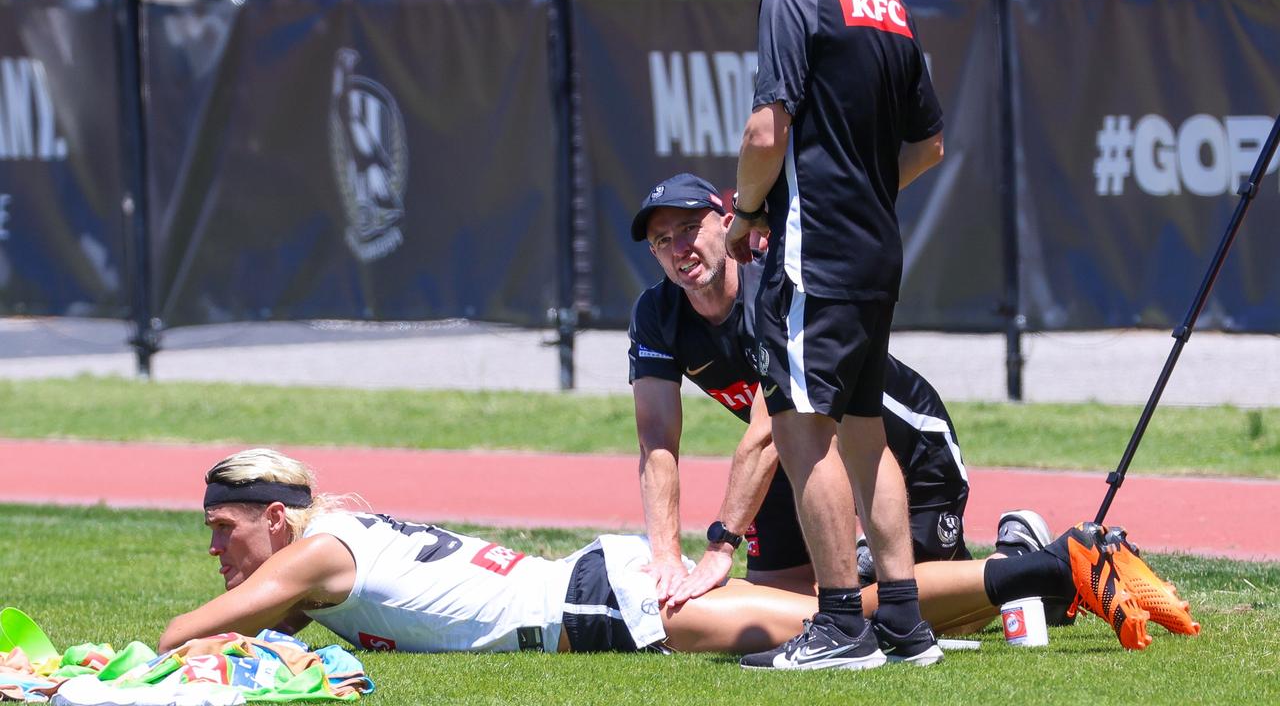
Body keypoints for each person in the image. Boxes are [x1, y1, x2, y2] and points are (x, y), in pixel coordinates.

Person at [161, 449, 1198, 661]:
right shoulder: (320, 549)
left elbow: (182, 637)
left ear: (276, 521)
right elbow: (278, 635)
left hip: (599, 609)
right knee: (850, 604)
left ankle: (1057, 567)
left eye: (223, 526)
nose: (215, 545)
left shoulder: (303, 560)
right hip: (591, 583)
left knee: (865, 631)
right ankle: (1053, 577)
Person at [628, 173, 977, 616]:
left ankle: (1027, 563)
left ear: (727, 223)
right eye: (662, 240)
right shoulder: (656, 314)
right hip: (803, 454)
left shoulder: (775, 287)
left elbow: (768, 430)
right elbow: (656, 439)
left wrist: (721, 545)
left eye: (689, 229)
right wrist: (665, 557)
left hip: (905, 450)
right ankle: (855, 581)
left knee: (910, 604)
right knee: (776, 602)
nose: (679, 249)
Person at [724, 0, 947, 669]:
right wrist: (865, 196)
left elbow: (767, 132)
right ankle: (903, 618)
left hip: (811, 254)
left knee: (801, 430)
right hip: (876, 252)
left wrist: (746, 212)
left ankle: (843, 625)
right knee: (863, 430)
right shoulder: (891, 9)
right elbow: (929, 145)